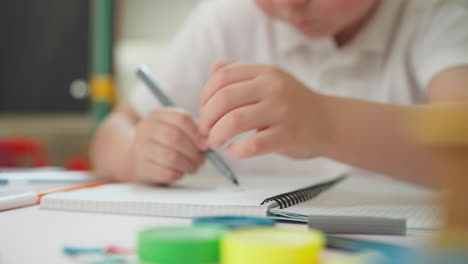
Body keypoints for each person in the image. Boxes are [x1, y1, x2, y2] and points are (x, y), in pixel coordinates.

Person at [90, 0, 468, 186]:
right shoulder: (228, 17)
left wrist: (325, 123)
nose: (290, 6)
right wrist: (137, 151)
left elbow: (461, 143)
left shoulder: (435, 14)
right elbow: (110, 134)